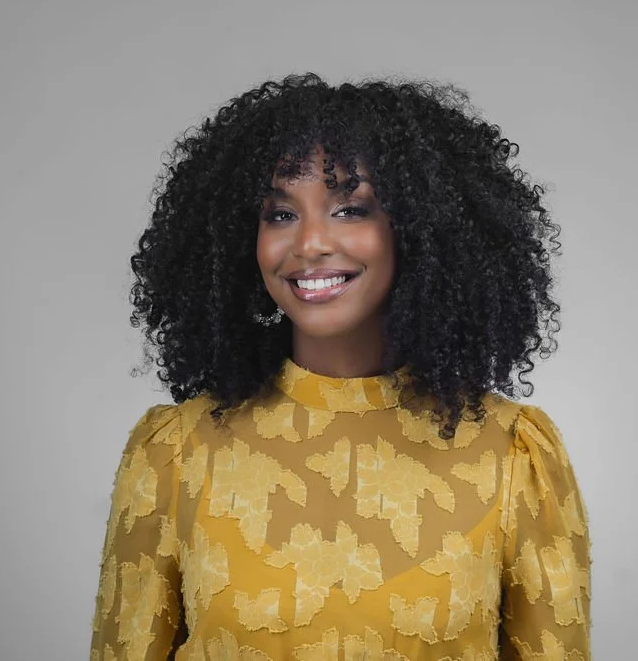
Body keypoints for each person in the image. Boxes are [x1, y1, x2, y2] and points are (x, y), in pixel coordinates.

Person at [89, 73, 591, 660]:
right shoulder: (175, 453)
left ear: (419, 229)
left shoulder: (512, 455)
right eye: (280, 215)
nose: (309, 244)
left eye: (350, 210)